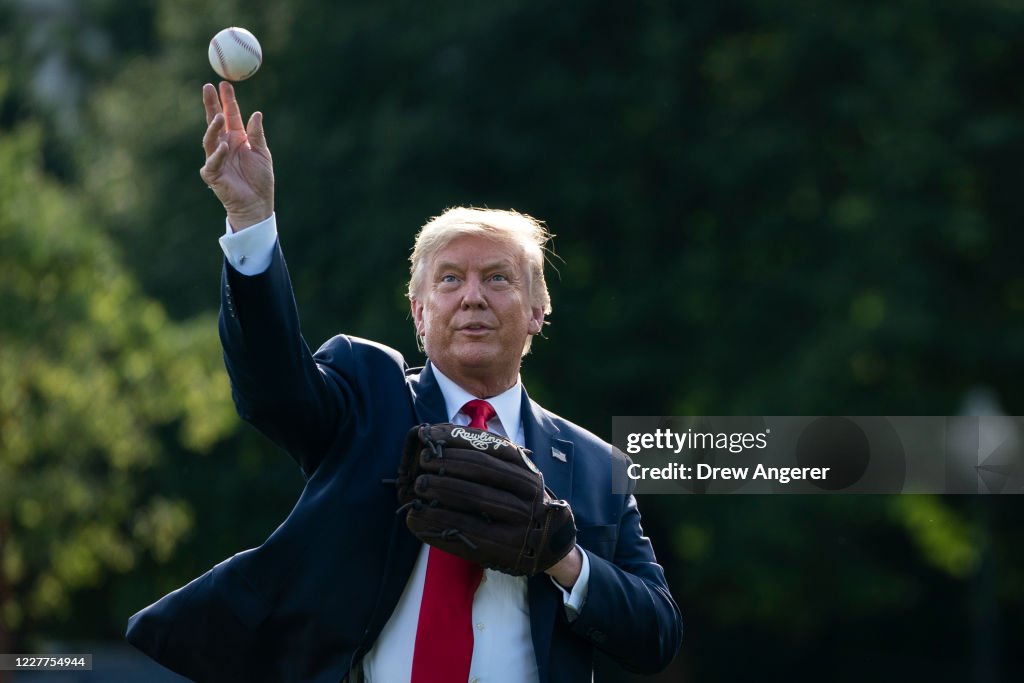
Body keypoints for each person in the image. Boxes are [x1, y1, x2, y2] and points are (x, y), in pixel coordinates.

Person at [126, 81, 682, 683]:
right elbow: (273, 388)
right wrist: (251, 220)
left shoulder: (597, 467)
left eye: (497, 278)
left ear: (538, 310)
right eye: (448, 280)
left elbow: (656, 633)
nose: (472, 296)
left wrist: (563, 560)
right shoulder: (369, 398)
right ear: (418, 313)